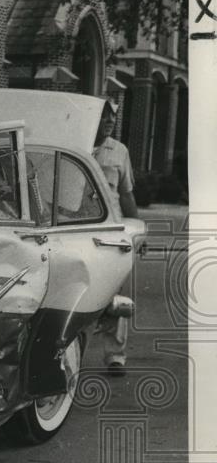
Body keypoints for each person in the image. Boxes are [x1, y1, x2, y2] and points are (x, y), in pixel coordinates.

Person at [93, 101, 139, 376]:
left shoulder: (120, 151)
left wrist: (137, 229)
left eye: (112, 116)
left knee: (116, 290)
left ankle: (115, 356)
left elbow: (126, 194)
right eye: (103, 116)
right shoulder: (77, 145)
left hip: (113, 229)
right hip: (81, 228)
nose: (109, 120)